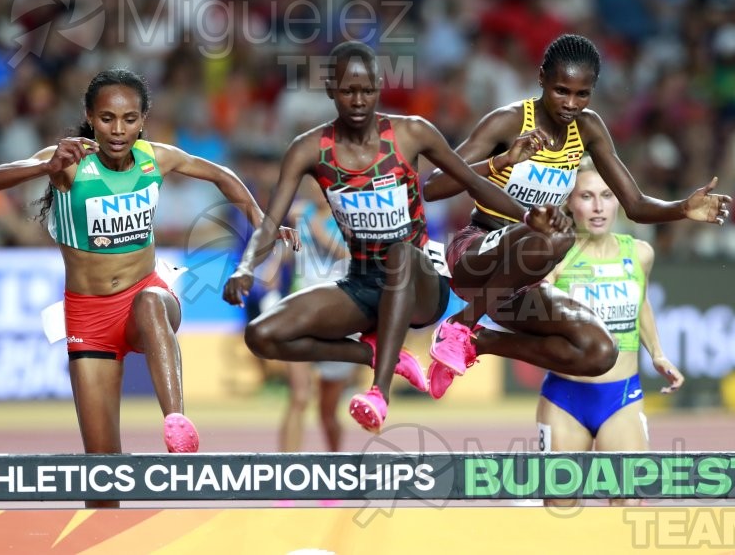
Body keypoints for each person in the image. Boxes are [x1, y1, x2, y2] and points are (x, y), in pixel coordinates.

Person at [0, 68, 297, 508]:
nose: (118, 130)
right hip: (88, 317)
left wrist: (261, 220)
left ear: (143, 119)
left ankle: (177, 422)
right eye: (107, 118)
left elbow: (221, 174)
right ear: (90, 116)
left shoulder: (155, 158)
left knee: (149, 301)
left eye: (129, 119)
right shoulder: (69, 161)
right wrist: (43, 165)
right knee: (101, 475)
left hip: (147, 296)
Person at [223, 41, 558, 433]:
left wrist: (527, 216)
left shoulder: (412, 132)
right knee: (262, 334)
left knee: (400, 251)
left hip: (421, 283)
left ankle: (378, 393)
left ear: (380, 87)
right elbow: (271, 220)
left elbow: (469, 182)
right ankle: (372, 352)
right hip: (363, 283)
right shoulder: (310, 149)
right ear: (331, 89)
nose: (359, 100)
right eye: (348, 91)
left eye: (367, 90)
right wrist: (246, 266)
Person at [421, 34, 730, 397]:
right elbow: (434, 186)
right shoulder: (508, 122)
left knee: (601, 352)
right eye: (561, 91)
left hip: (518, 282)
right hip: (476, 256)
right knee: (557, 234)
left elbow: (634, 205)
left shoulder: (588, 128)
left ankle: (479, 342)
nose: (570, 103)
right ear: (541, 79)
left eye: (581, 94)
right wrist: (502, 161)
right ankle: (458, 326)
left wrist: (681, 208)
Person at [534, 158, 684, 506]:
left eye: (607, 195)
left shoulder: (640, 254)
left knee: (630, 504)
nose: (599, 207)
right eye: (586, 196)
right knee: (559, 509)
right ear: (569, 203)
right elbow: (531, 309)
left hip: (622, 398)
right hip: (564, 399)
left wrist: (657, 353)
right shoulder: (554, 256)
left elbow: (641, 302)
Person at [278, 182, 358, 457]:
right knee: (299, 397)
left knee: (328, 411)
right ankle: (283, 478)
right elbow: (291, 253)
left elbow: (352, 258)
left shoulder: (351, 217)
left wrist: (319, 232)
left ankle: (335, 474)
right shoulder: (299, 214)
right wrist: (273, 267)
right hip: (300, 313)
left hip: (339, 317)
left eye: (322, 182)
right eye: (310, 181)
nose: (316, 188)